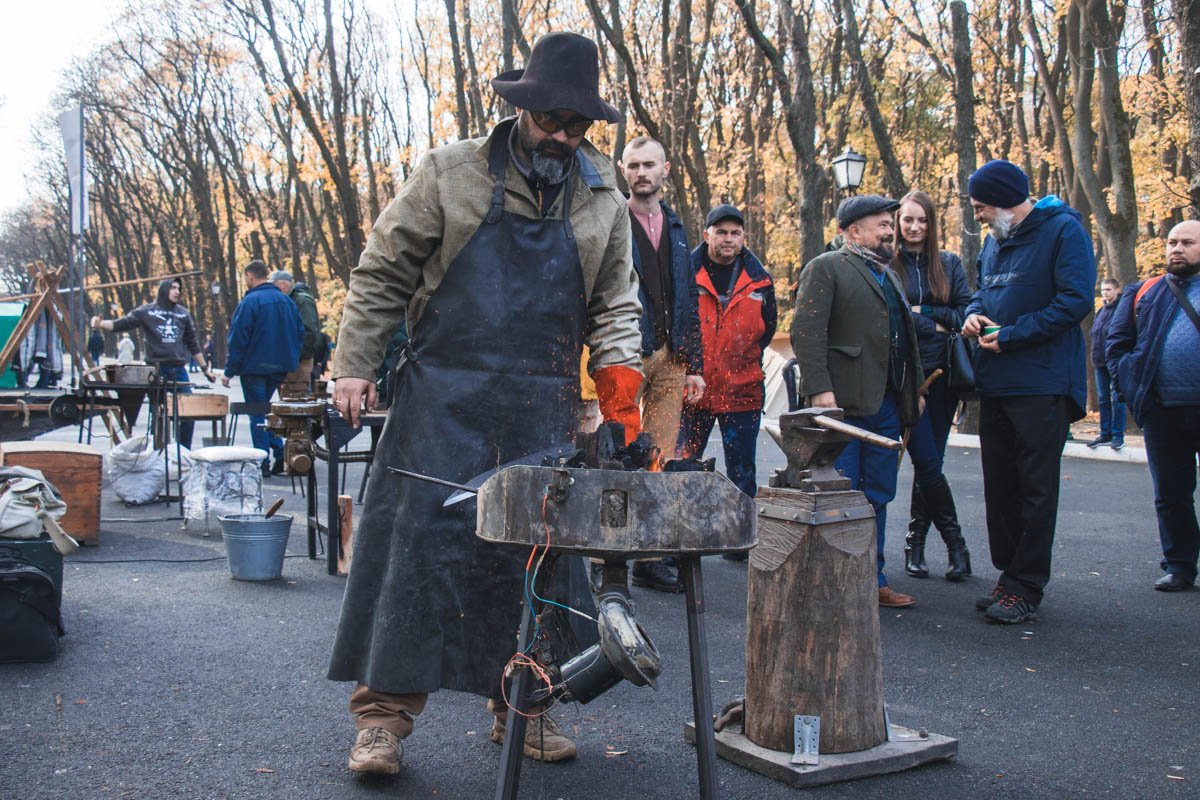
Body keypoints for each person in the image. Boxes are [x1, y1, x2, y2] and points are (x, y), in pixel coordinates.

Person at [325, 33, 643, 777]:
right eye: (552, 120)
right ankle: (382, 722)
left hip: (541, 406)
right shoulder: (450, 172)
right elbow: (382, 274)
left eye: (578, 125)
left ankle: (524, 711)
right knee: (415, 561)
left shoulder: (603, 196)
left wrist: (620, 389)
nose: (564, 136)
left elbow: (616, 305)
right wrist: (353, 366)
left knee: (530, 566)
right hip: (442, 400)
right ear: (523, 107)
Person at [962, 160, 1095, 624]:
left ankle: (1027, 585)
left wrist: (1013, 334)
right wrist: (974, 314)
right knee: (1000, 486)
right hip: (996, 382)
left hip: (1042, 383)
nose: (976, 215)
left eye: (980, 206)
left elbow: (1075, 300)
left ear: (1003, 200)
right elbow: (981, 292)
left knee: (1035, 488)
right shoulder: (994, 242)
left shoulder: (1063, 231)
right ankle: (1009, 574)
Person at [791, 195, 923, 608]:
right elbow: (807, 332)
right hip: (841, 406)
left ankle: (873, 578)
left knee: (878, 494)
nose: (890, 231)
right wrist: (820, 389)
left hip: (885, 404)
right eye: (881, 225)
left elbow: (905, 341)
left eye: (890, 224)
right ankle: (833, 582)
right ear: (853, 232)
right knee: (837, 494)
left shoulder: (891, 277)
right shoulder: (826, 268)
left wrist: (913, 392)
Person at [619, 135, 705, 593]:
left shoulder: (675, 225)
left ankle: (650, 559)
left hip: (671, 358)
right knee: (617, 455)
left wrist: (693, 362)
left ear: (665, 169)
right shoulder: (615, 218)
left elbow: (687, 295)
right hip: (627, 355)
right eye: (633, 166)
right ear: (623, 169)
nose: (641, 173)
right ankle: (606, 556)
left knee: (660, 457)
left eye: (649, 165)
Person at [1106, 220, 1200, 592]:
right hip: (1162, 409)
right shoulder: (1146, 291)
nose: (1176, 249)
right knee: (1171, 494)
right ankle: (1179, 565)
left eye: (1187, 243)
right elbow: (1117, 343)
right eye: (1172, 242)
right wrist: (1129, 386)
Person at [892, 190, 973, 582]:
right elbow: (894, 315)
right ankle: (956, 546)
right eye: (908, 220)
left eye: (922, 220)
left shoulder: (950, 263)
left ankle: (916, 544)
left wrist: (922, 313)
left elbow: (964, 313)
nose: (915, 227)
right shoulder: (889, 264)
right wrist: (929, 321)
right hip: (905, 375)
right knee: (926, 461)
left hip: (943, 376)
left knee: (931, 464)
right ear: (897, 222)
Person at [678, 204, 775, 510]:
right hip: (693, 392)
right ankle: (680, 540)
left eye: (735, 233)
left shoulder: (760, 282)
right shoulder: (685, 274)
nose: (728, 239)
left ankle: (739, 540)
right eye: (721, 232)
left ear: (744, 237)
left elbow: (767, 330)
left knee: (742, 473)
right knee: (683, 467)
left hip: (742, 390)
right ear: (707, 235)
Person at [91, 279, 215, 448]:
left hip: (178, 370)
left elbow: (193, 343)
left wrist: (205, 369)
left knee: (188, 414)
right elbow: (122, 324)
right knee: (158, 414)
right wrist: (100, 324)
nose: (177, 291)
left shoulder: (183, 314)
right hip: (156, 370)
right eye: (173, 287)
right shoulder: (147, 312)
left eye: (179, 288)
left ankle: (183, 452)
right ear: (164, 290)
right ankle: (157, 453)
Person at [220, 261, 303, 476]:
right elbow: (299, 333)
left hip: (255, 366)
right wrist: (290, 359)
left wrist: (230, 370)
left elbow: (239, 337)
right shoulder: (286, 301)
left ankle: (262, 461)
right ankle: (277, 452)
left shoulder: (251, 301)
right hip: (280, 366)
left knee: (257, 414)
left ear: (249, 275)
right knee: (267, 411)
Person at [1088, 278, 1126, 450]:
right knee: (1103, 399)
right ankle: (1105, 434)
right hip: (1099, 361)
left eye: (1109, 289)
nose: (1105, 293)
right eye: (1103, 290)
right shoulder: (1101, 311)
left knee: (1117, 399)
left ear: (1117, 290)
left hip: (1115, 361)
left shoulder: (1122, 310)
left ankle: (1118, 435)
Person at [271, 270, 321, 396]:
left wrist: (296, 356)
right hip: (294, 358)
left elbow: (309, 332)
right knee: (289, 399)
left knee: (296, 400)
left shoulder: (301, 300)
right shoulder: (293, 299)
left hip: (298, 360)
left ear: (283, 286)